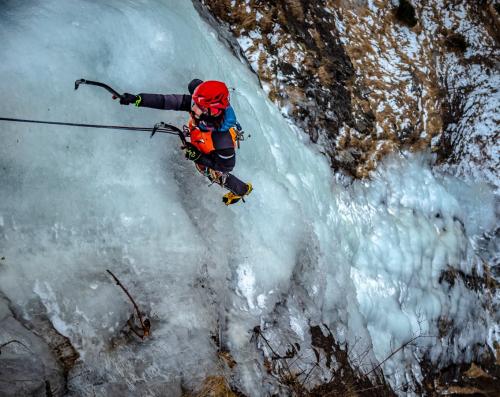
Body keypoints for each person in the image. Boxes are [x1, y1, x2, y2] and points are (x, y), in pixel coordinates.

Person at [118, 79, 252, 205]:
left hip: (211, 150)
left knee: (215, 173)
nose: (192, 108)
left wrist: (199, 157)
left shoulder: (222, 142)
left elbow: (225, 167)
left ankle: (242, 190)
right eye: (194, 103)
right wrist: (138, 99)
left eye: (199, 107)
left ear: (213, 111)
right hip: (202, 134)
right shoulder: (202, 106)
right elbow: (166, 101)